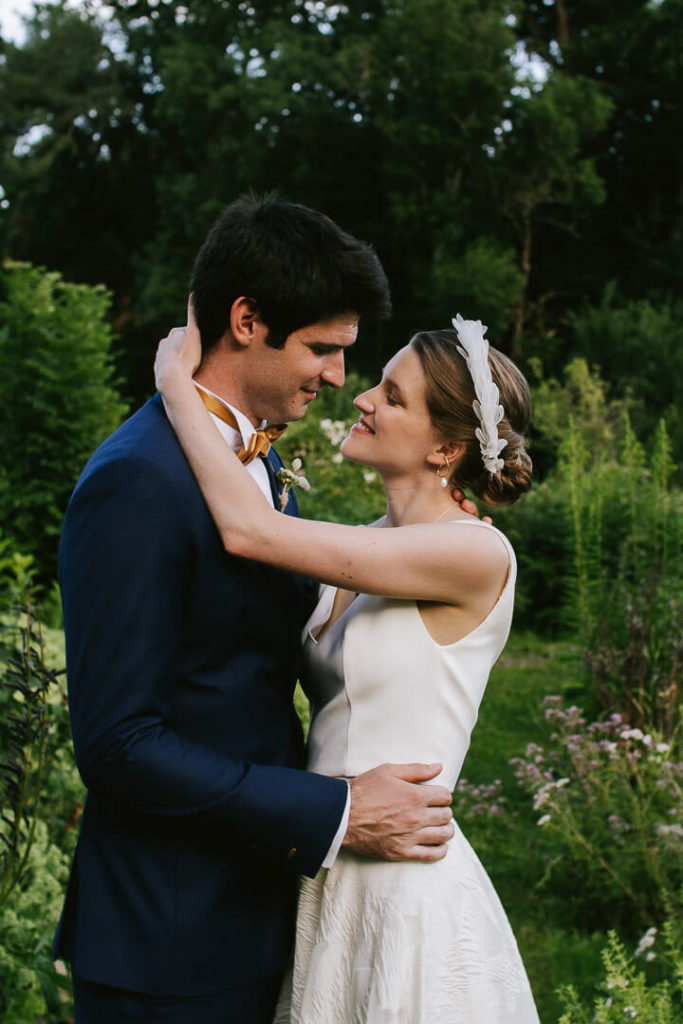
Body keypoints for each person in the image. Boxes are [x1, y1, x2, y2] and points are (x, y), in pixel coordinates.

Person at [54, 194, 457, 1024]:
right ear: (245, 321)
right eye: (322, 349)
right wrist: (339, 812)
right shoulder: (138, 481)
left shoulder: (255, 463)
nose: (338, 378)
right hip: (169, 942)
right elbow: (119, 743)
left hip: (256, 914)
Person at [154, 305, 541, 1023]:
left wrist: (177, 386)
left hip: (403, 883)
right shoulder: (362, 544)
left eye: (392, 396)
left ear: (444, 449)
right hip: (328, 858)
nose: (361, 398)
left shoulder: (474, 552)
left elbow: (249, 530)